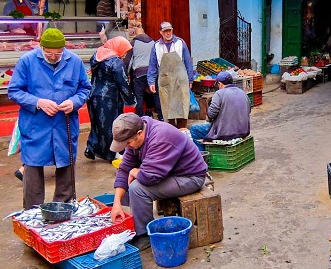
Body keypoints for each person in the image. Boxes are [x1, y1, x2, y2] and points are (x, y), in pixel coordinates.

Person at [7, 28, 91, 209]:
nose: (53, 57)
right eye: (49, 53)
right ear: (41, 47)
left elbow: (85, 88)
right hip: (36, 124)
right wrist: (38, 102)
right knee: (33, 170)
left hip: (64, 123)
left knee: (66, 168)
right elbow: (14, 91)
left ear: (64, 49)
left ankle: (62, 209)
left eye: (58, 53)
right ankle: (32, 213)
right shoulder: (27, 61)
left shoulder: (74, 62)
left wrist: (74, 101)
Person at [109, 113, 207, 250]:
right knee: (126, 182)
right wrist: (116, 203)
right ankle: (139, 220)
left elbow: (149, 177)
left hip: (190, 177)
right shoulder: (136, 138)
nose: (127, 147)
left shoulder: (161, 138)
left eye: (128, 143)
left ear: (139, 133)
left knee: (137, 188)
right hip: (169, 173)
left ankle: (144, 235)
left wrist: (135, 171)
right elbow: (124, 169)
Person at [85, 36, 136, 162]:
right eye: (124, 50)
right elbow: (122, 82)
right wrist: (130, 100)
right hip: (109, 98)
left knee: (96, 124)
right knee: (111, 126)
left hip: (93, 96)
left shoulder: (97, 55)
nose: (124, 54)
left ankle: (91, 148)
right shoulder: (115, 62)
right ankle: (111, 154)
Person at [147, 21, 193, 129]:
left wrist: (190, 80)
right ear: (161, 32)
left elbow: (188, 62)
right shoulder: (156, 46)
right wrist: (151, 81)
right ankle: (172, 132)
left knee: (182, 107)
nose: (168, 33)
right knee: (167, 109)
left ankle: (182, 132)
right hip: (165, 81)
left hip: (180, 80)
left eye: (170, 30)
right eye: (165, 31)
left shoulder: (180, 43)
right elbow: (152, 65)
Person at [189, 71, 251, 151]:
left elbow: (211, 114)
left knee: (194, 129)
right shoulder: (243, 93)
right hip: (244, 131)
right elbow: (248, 110)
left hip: (225, 133)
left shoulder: (219, 93)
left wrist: (209, 118)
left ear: (220, 84)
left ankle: (203, 156)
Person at [128, 27, 160, 119]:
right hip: (152, 73)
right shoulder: (153, 43)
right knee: (155, 95)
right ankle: (160, 117)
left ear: (136, 34)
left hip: (139, 73)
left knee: (139, 96)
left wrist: (126, 74)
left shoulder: (134, 43)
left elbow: (128, 61)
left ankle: (140, 118)